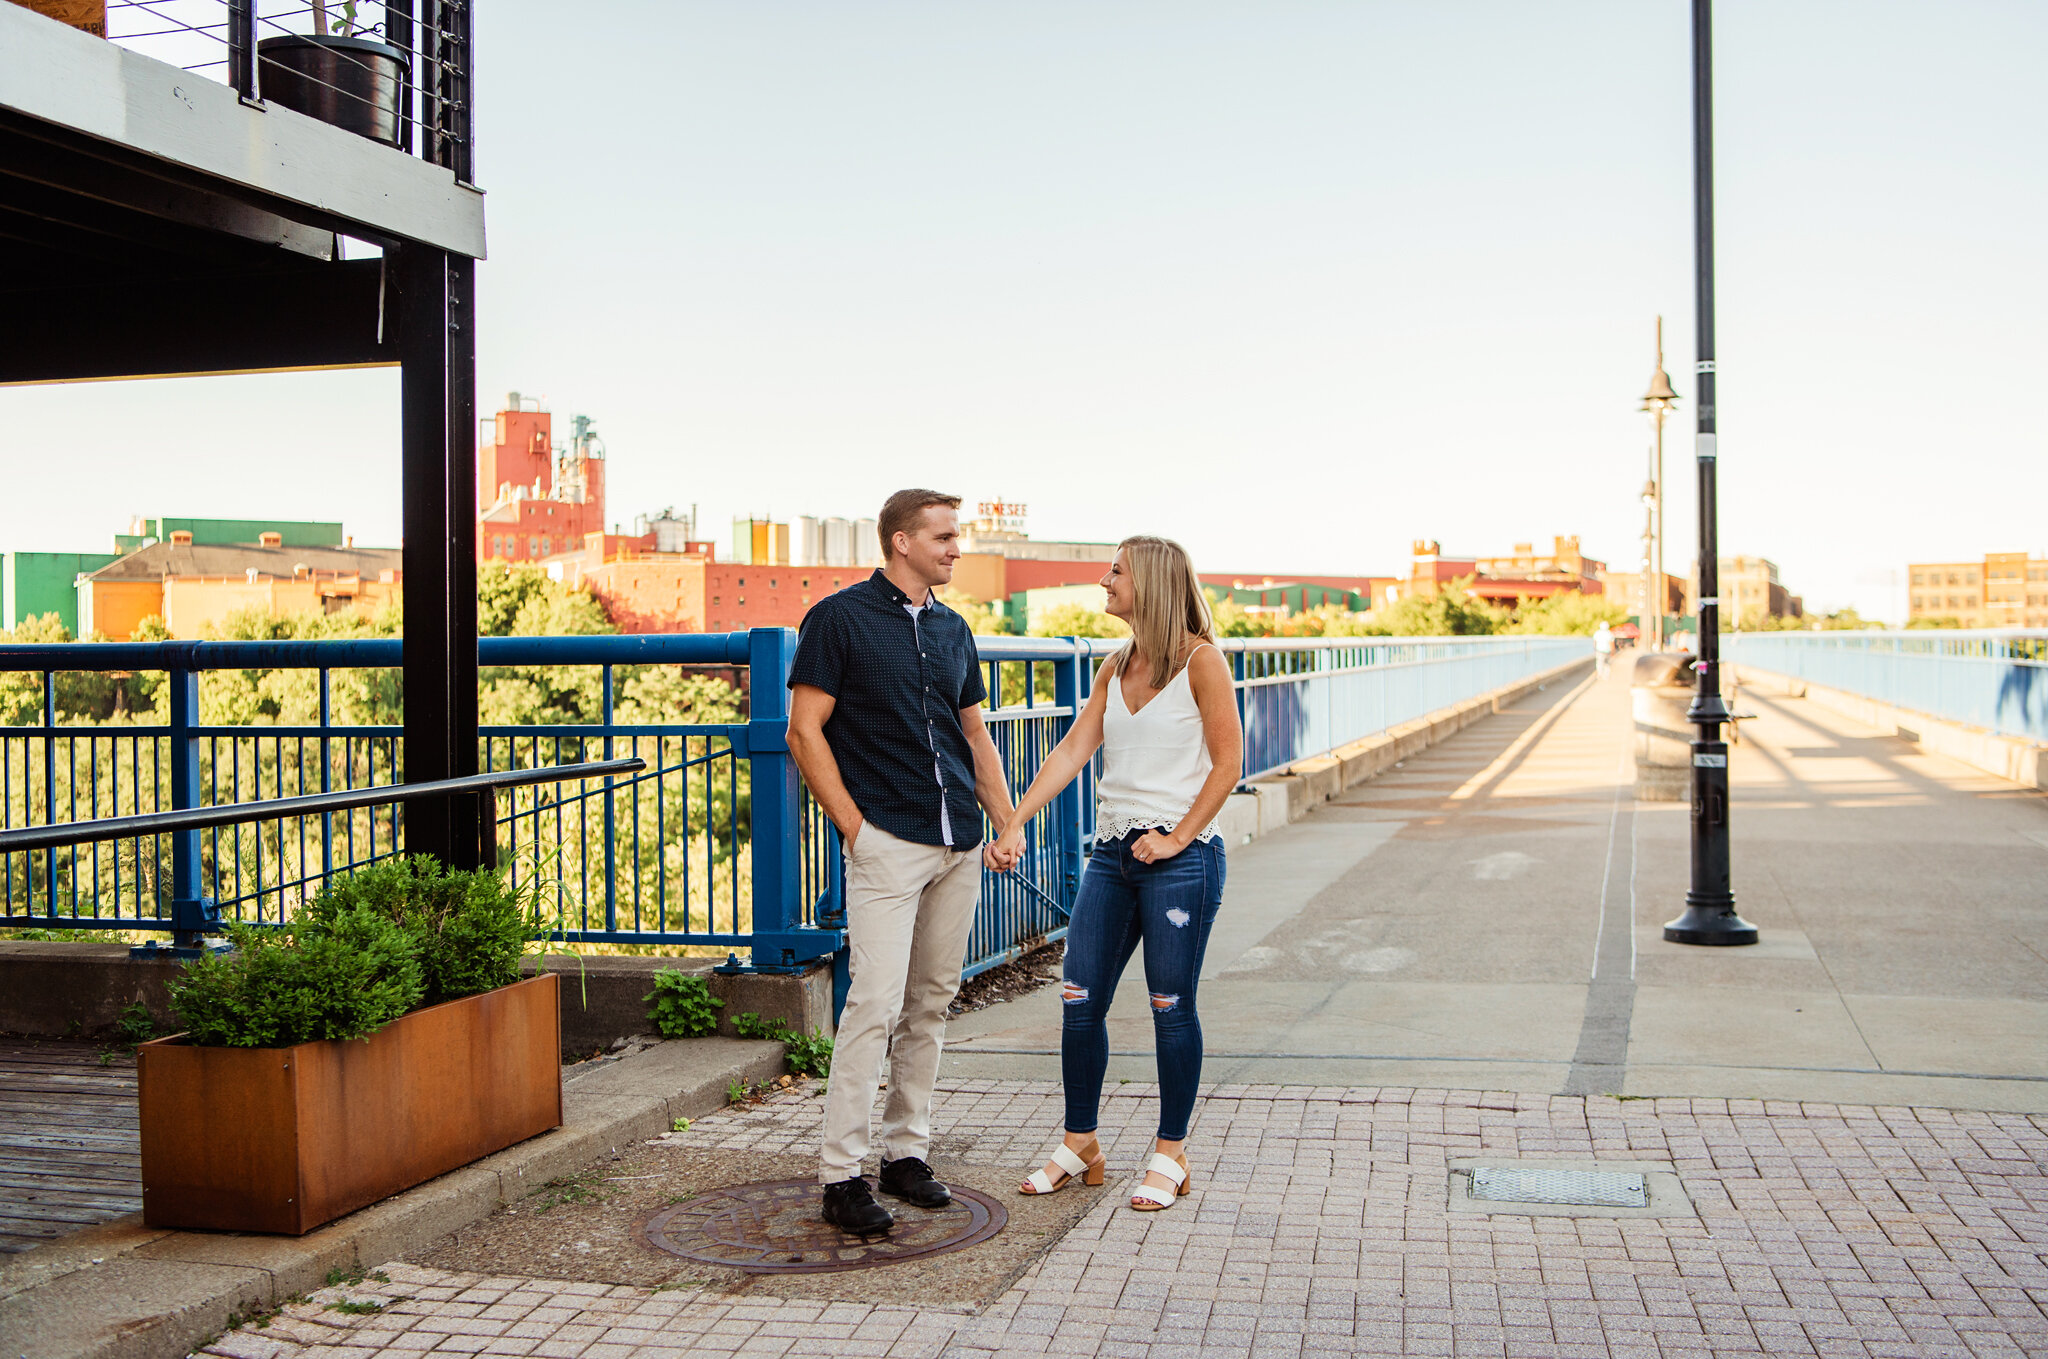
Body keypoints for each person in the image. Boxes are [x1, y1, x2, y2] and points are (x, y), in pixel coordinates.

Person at [985, 535, 1242, 1212]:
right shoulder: (1116, 663)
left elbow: (1227, 763)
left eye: (1116, 572)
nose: (1104, 580)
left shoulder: (1203, 663)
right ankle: (1082, 1143)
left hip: (1181, 861)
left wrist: (1178, 836)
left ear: (1150, 583)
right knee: (1078, 998)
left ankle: (1171, 1152)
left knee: (1169, 1004)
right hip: (1111, 856)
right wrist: (1014, 819)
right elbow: (1075, 746)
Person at [787, 489, 1017, 1236]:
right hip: (886, 840)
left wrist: (1005, 821)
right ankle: (840, 1174)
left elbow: (974, 738)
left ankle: (905, 1153)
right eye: (944, 536)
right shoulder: (838, 618)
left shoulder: (955, 630)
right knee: (874, 1006)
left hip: (958, 843)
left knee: (930, 1003)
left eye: (957, 536)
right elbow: (803, 730)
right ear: (900, 542)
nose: (956, 548)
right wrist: (856, 829)